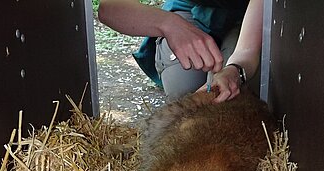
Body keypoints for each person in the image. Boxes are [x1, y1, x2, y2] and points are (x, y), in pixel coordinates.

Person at [98, 0, 263, 103]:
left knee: (227, 95)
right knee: (185, 92)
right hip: (190, 9)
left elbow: (247, 51)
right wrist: (169, 25)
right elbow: (110, 8)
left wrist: (236, 70)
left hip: (247, 17)